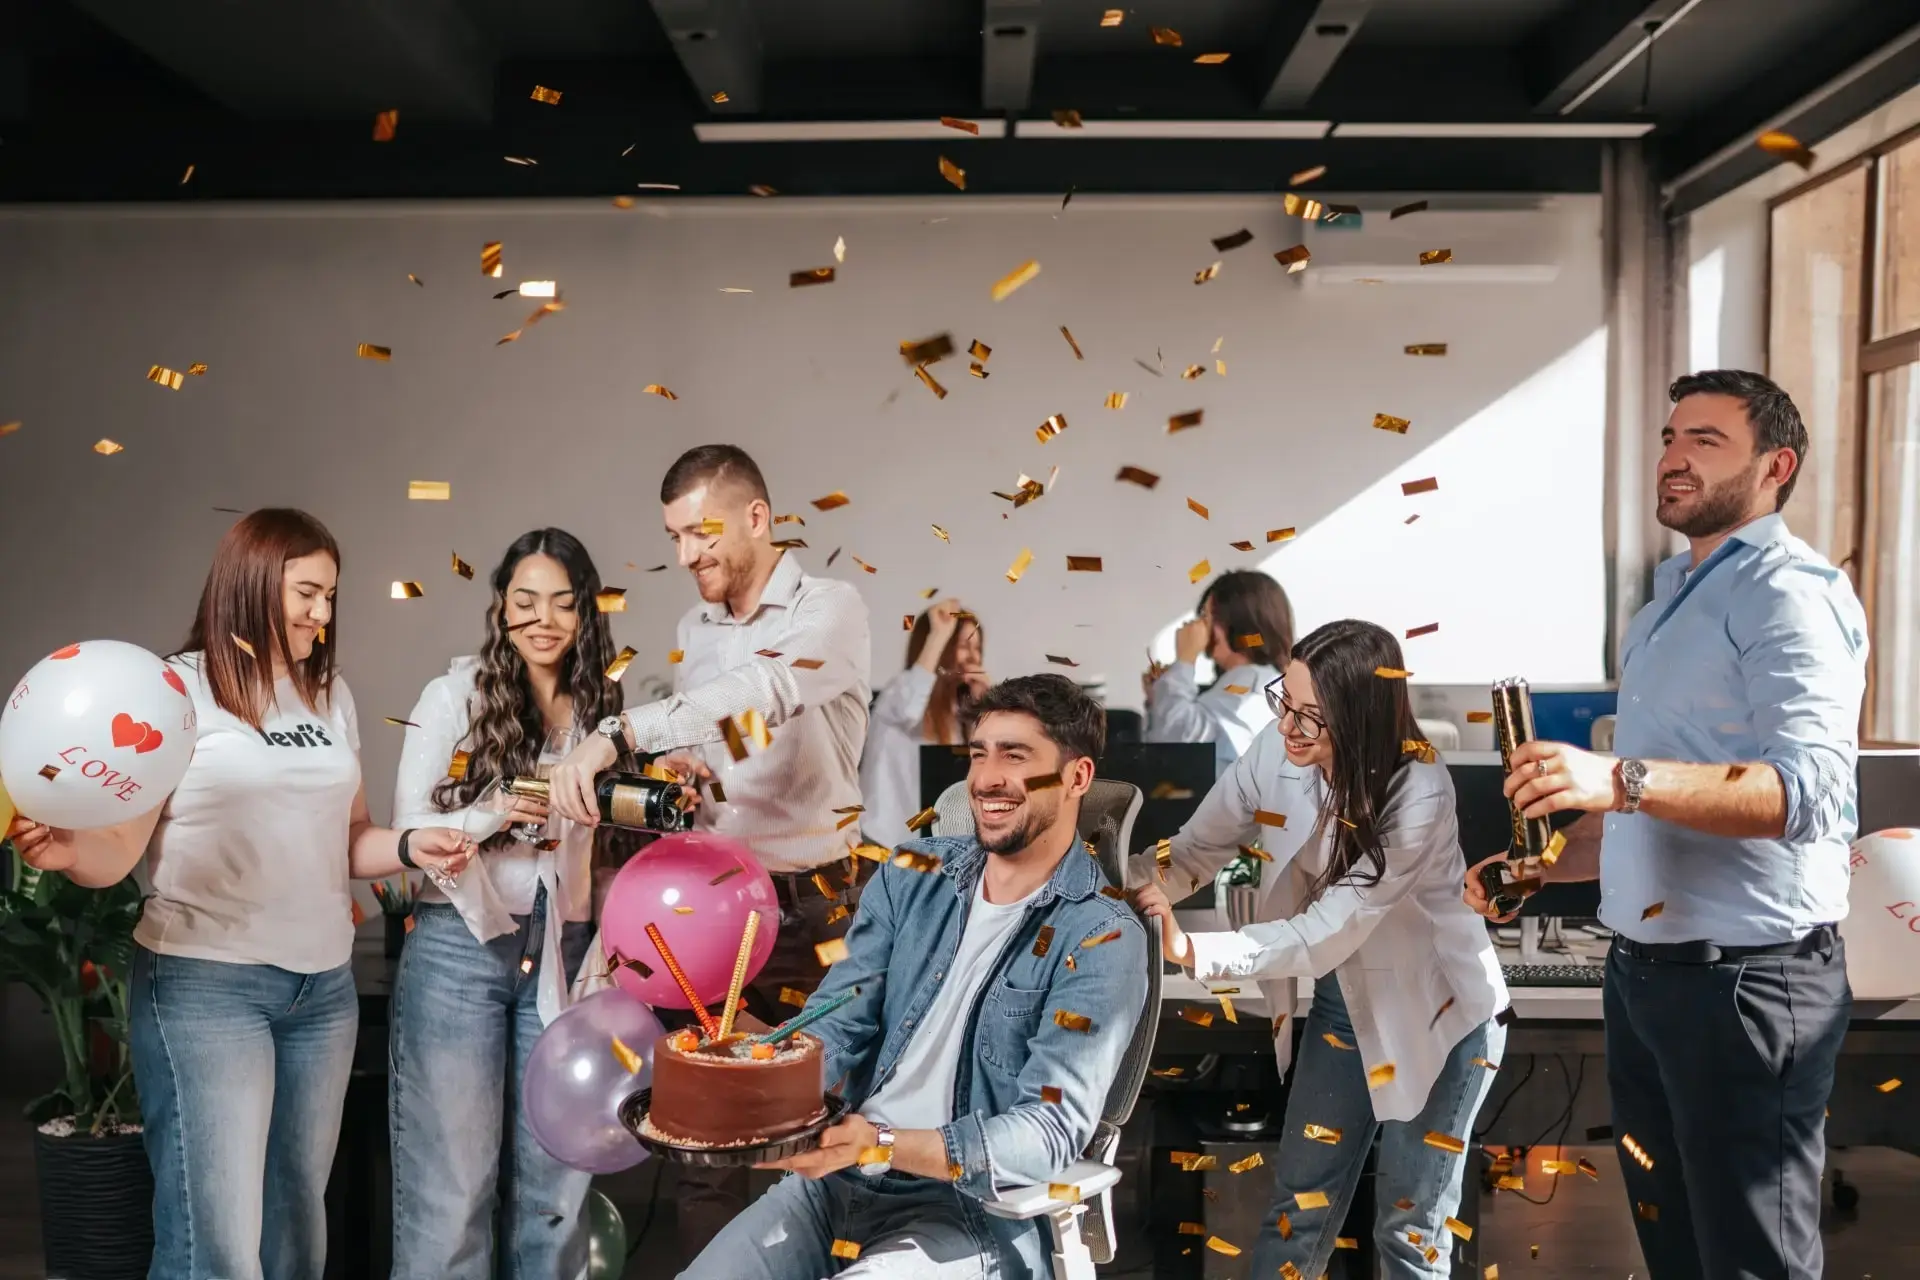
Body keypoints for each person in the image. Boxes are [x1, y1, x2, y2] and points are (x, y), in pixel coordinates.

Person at [1464, 370, 1865, 1280]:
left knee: (1749, 1262)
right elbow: (1648, 813)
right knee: (1675, 1249)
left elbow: (1809, 796)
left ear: (1776, 467)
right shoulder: (1665, 605)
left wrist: (1619, 776)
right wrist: (1545, 867)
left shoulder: (1788, 594)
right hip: (1646, 978)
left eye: (1707, 442)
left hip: (1746, 988)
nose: (1675, 458)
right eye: (1670, 437)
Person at [4, 509, 472, 1280]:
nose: (323, 614)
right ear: (254, 585)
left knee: (296, 1229)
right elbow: (121, 853)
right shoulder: (177, 689)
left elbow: (349, 837)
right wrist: (68, 850)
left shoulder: (330, 695)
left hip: (320, 994)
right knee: (214, 1246)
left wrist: (411, 845)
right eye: (308, 593)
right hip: (205, 988)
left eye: (331, 596)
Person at [678, 674, 1150, 1280]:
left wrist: (882, 1143)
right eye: (980, 754)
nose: (986, 779)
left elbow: (1047, 1133)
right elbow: (837, 1022)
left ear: (1077, 777)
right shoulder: (912, 872)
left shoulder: (1102, 935)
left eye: (1016, 755)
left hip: (969, 1210)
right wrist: (756, 1086)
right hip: (836, 1186)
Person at [546, 443, 871, 1259]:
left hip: (818, 909)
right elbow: (731, 730)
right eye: (675, 538)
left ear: (758, 518)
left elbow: (765, 689)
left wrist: (620, 734)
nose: (687, 555)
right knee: (705, 1148)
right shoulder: (696, 624)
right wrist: (694, 768)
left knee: (828, 1138)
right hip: (715, 912)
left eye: (701, 532)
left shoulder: (830, 608)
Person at [1133, 619, 1507, 1279]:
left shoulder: (1417, 790)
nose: (1287, 728)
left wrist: (1196, 950)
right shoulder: (1276, 756)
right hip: (1345, 1003)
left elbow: (1325, 929)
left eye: (1312, 718)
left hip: (1441, 1014)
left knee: (1408, 1230)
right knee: (1296, 1214)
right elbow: (1192, 853)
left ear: (1361, 719)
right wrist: (1114, 885)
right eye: (1287, 702)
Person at [388, 529, 628, 1279]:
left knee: (556, 1185)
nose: (544, 619)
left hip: (564, 945)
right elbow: (409, 833)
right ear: (500, 608)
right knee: (451, 1187)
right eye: (526, 601)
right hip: (457, 945)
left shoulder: (602, 708)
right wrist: (504, 809)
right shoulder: (452, 695)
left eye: (563, 603)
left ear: (587, 614)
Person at [858, 598, 987, 846]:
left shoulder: (959, 711)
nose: (973, 658)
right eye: (963, 646)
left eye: (977, 649)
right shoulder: (898, 694)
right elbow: (910, 705)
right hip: (884, 842)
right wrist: (939, 634)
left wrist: (988, 704)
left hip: (929, 842)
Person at [1144, 569, 1294, 774]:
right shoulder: (1258, 679)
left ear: (1237, 622)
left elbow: (1179, 742)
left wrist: (1185, 660)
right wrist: (1160, 696)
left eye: (1207, 617)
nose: (1200, 627)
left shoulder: (1251, 682)